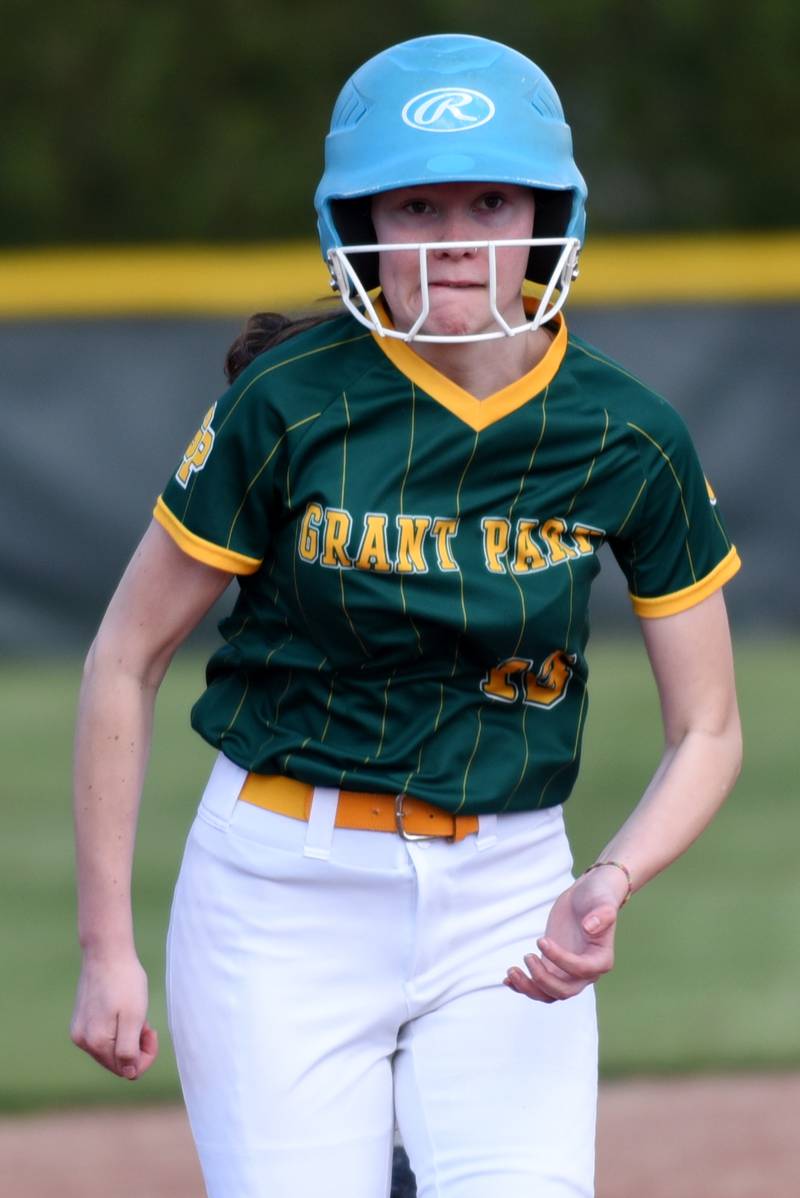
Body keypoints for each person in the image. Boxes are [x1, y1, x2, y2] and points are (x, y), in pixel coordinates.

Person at [70, 33, 742, 1198]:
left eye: (489, 198)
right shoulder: (284, 404)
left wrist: (612, 877)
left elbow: (710, 728)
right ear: (355, 224)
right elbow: (126, 658)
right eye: (415, 202)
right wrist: (104, 947)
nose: (453, 235)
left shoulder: (626, 432)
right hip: (280, 894)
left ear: (548, 211)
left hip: (507, 898)